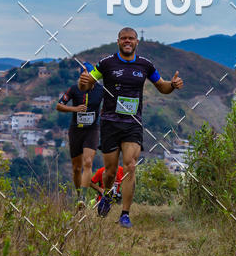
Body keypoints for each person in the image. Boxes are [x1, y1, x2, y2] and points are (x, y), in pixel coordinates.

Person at [78, 27, 183, 227]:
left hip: (133, 124)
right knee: (109, 172)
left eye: (131, 39)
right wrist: (83, 82)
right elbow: (88, 84)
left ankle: (125, 214)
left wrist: (173, 84)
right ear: (118, 41)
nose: (127, 41)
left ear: (136, 42)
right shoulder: (106, 63)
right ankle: (107, 196)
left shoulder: (145, 65)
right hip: (110, 122)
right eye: (124, 38)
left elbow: (162, 87)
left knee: (130, 166)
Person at [57, 67, 104, 206]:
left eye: (87, 76)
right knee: (76, 168)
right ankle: (79, 197)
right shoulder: (73, 89)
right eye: (81, 76)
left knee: (88, 162)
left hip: (92, 130)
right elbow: (59, 106)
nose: (84, 79)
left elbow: (111, 102)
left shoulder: (101, 90)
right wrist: (75, 109)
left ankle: (83, 197)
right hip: (76, 131)